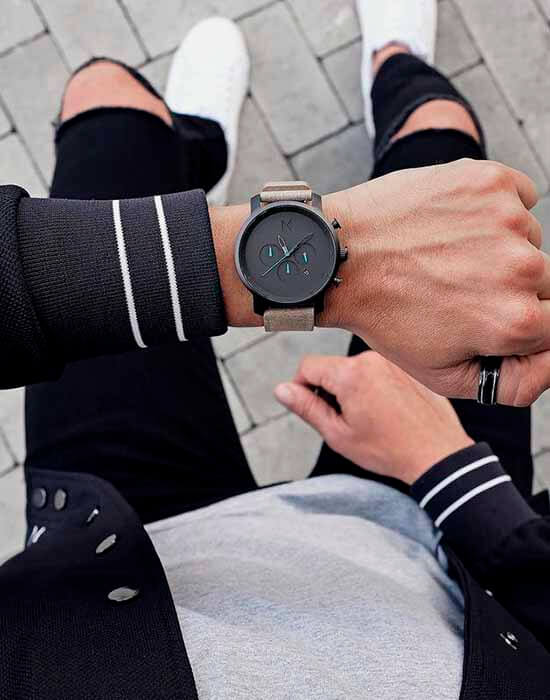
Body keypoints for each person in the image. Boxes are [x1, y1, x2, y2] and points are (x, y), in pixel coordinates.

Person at [0, 2, 548, 698]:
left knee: (104, 97)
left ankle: (194, 166)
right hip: (447, 537)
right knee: (444, 139)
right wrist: (448, 469)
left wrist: (225, 256)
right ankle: (396, 68)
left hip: (110, 542)